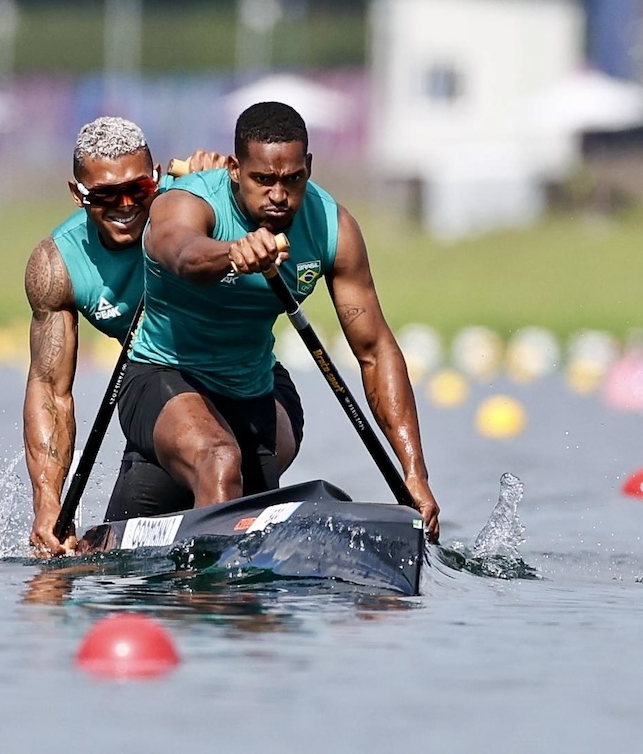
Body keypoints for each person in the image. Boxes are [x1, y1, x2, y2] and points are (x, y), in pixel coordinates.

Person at [120, 101, 440, 542]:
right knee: (218, 461)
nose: (278, 195)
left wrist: (414, 472)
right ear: (235, 169)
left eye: (293, 179)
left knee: (228, 478)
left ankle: (228, 578)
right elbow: (181, 252)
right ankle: (213, 601)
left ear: (308, 166)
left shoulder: (333, 227)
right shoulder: (188, 202)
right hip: (163, 375)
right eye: (263, 180)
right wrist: (231, 252)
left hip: (253, 386)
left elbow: (375, 350)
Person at [23, 116, 306, 557]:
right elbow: (50, 392)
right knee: (104, 556)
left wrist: (212, 184)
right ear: (77, 194)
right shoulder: (57, 266)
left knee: (223, 464)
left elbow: (249, 190)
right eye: (104, 195)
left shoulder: (187, 207)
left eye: (137, 190)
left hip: (250, 383)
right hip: (161, 391)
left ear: (156, 178)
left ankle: (217, 580)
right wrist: (47, 504)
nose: (125, 205)